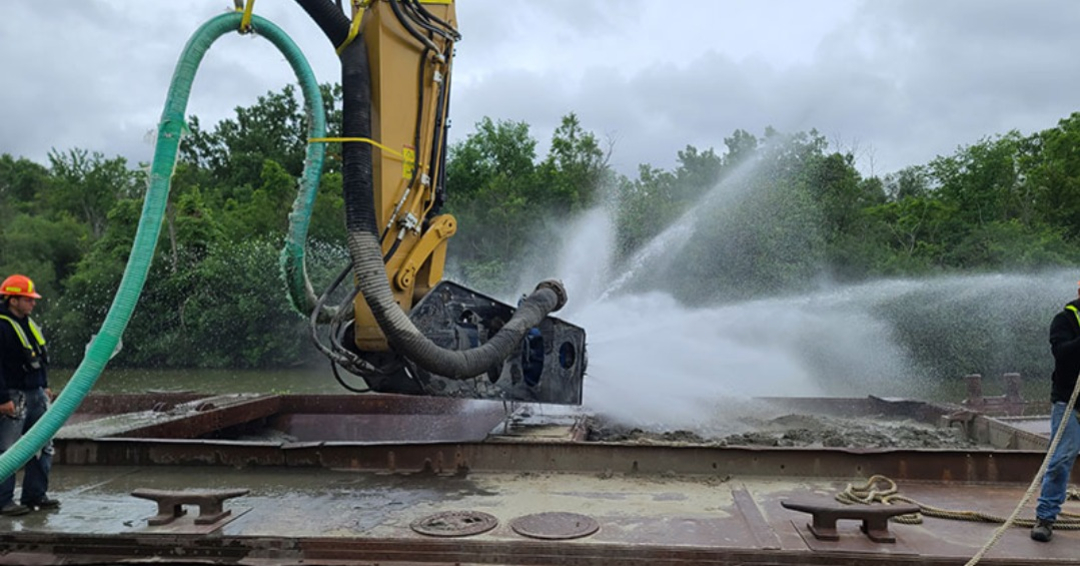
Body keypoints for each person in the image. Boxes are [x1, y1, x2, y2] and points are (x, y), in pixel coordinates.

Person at [0, 274, 58, 516]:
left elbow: (37, 359)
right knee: (8, 450)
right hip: (13, 395)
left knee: (44, 445)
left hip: (35, 393)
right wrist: (2, 399)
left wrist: (44, 385)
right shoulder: (2, 327)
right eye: (28, 299)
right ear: (13, 300)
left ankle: (35, 495)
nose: (33, 303)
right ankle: (3, 502)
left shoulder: (28, 323)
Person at [1032, 280, 1080, 542]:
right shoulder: (1063, 321)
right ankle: (1045, 517)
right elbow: (1062, 354)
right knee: (1061, 458)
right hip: (1069, 402)